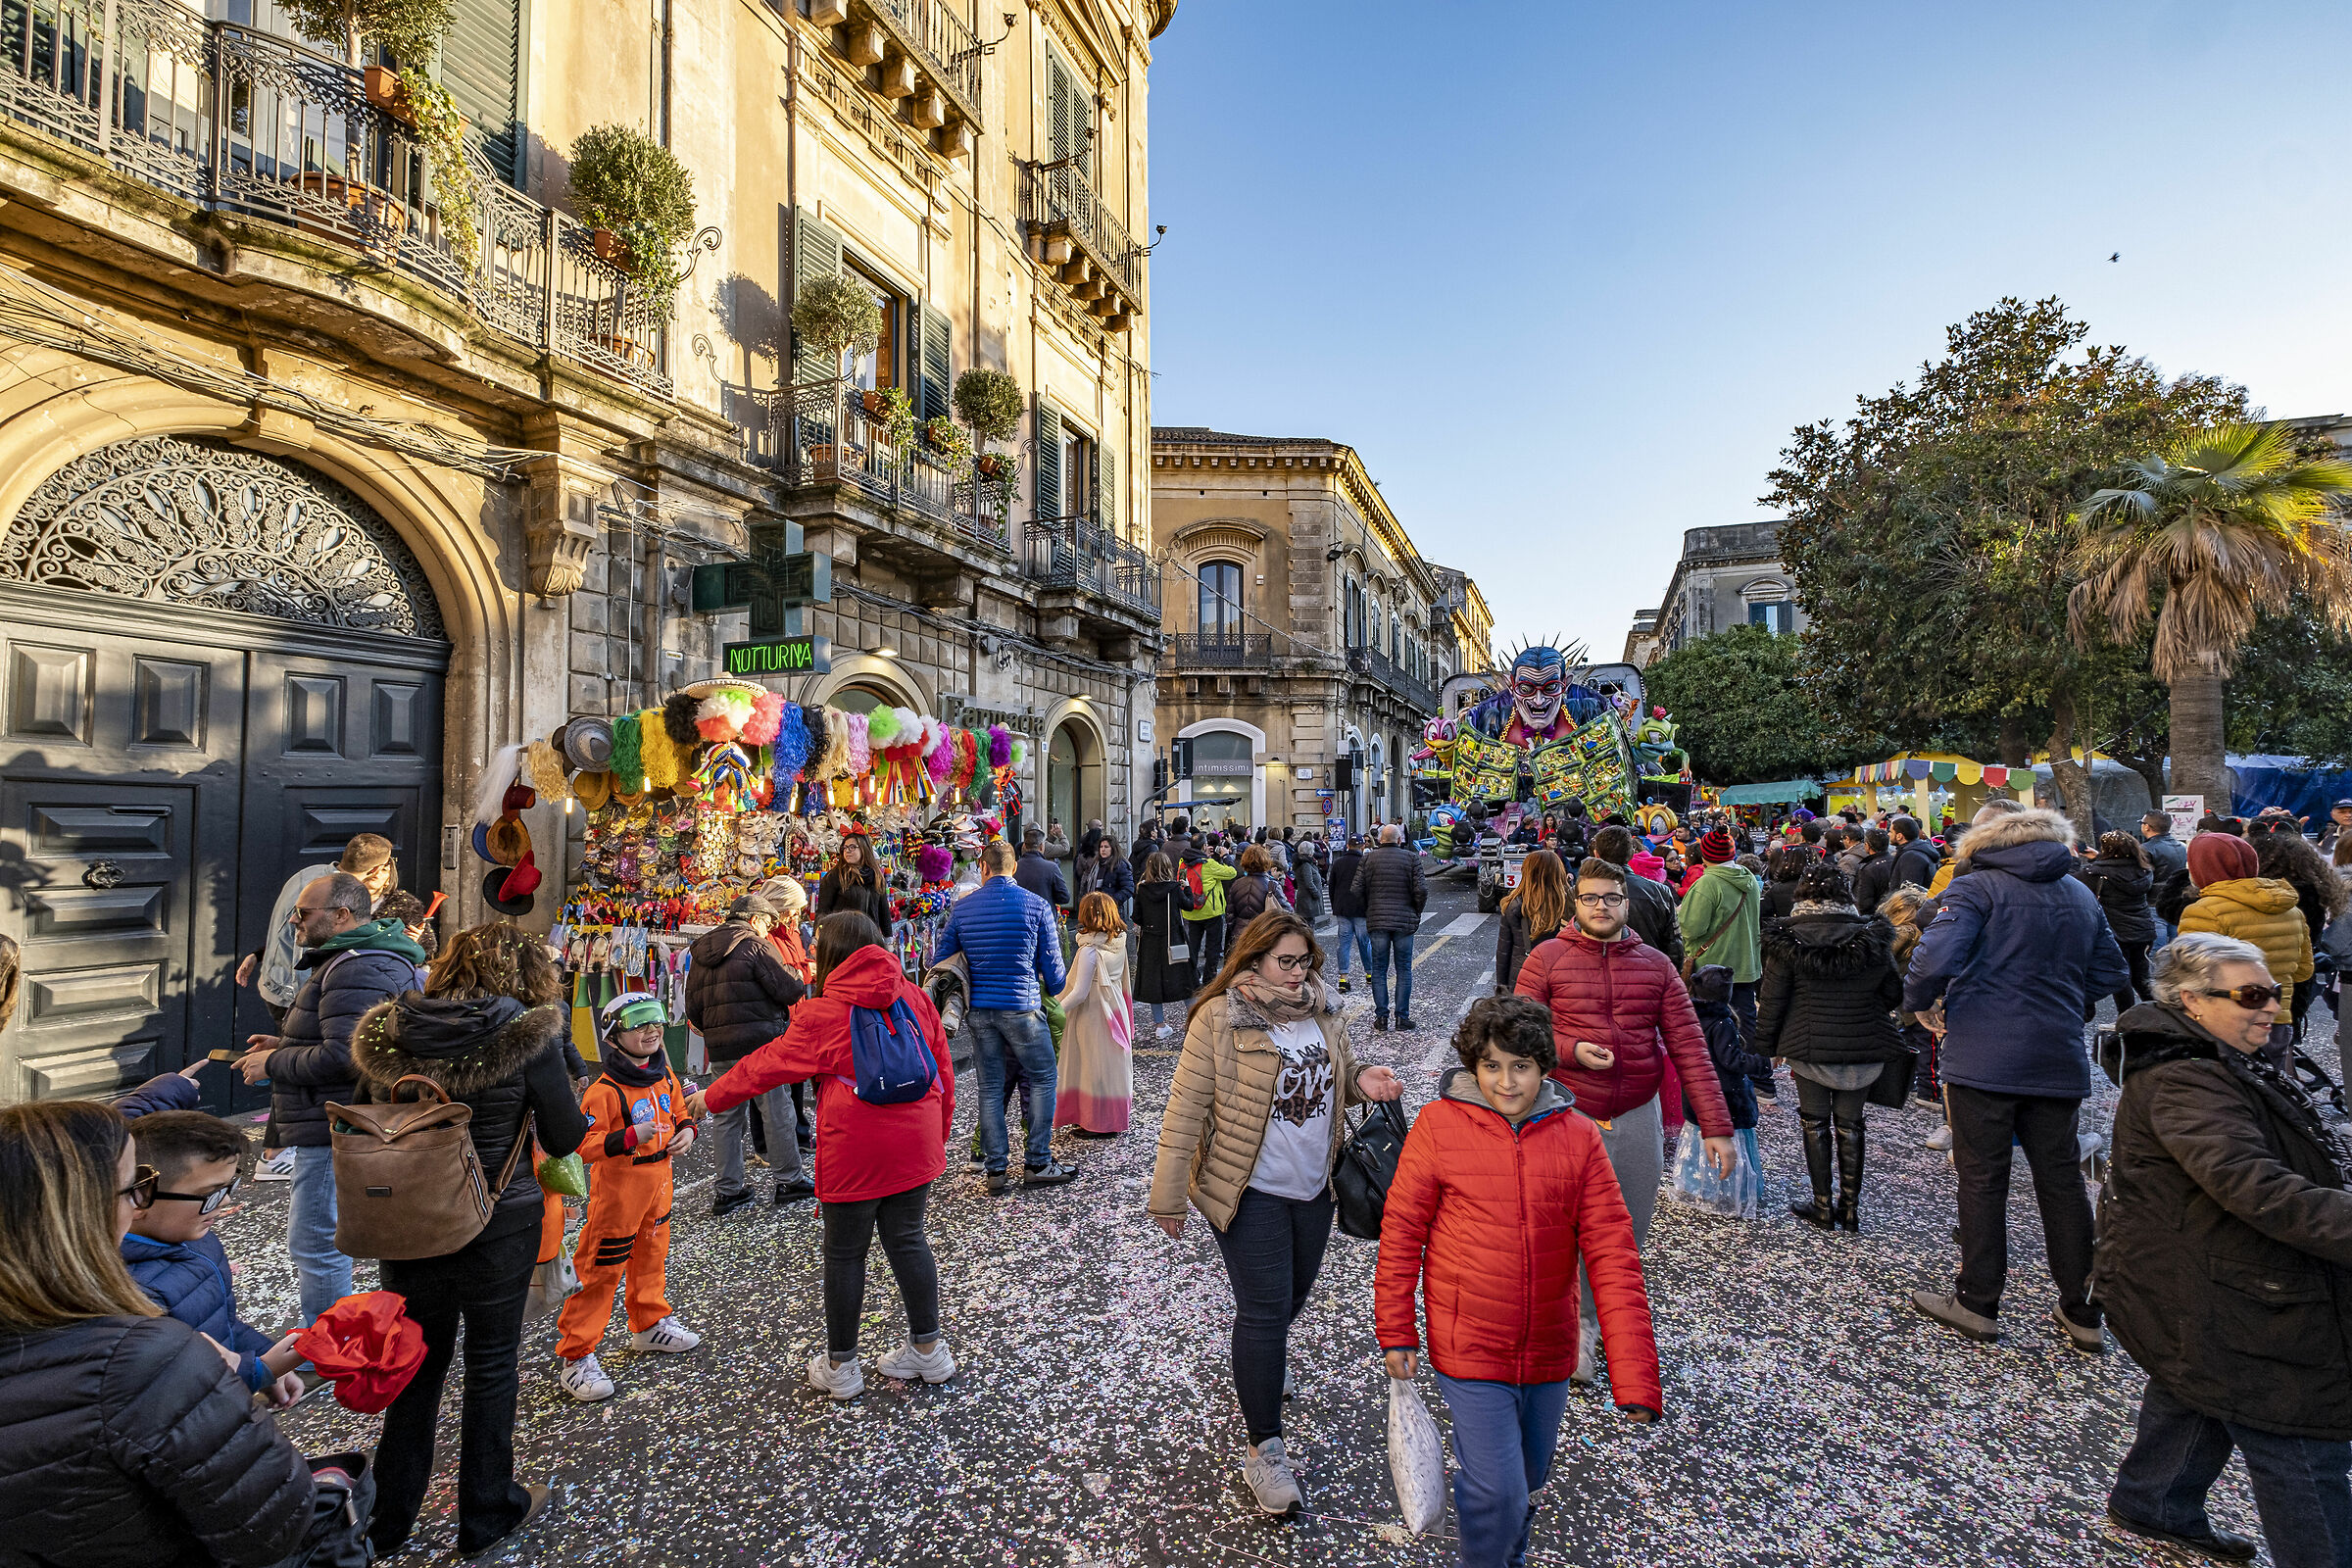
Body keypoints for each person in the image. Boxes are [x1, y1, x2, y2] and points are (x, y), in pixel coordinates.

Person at [1374, 996, 1660, 1566]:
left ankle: (1506, 1550)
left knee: (1526, 1479)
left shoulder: (1578, 1137)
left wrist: (1633, 1375)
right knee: (1498, 1489)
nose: (1506, 1082)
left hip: (1549, 1349)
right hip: (1469, 1344)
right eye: (1492, 1066)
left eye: (1521, 1067)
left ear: (1544, 1068)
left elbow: (1612, 1254)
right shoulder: (1438, 1127)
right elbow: (1403, 1231)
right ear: (1473, 1067)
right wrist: (1397, 1330)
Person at [2098, 934, 2352, 1568]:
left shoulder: (2217, 1055)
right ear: (2192, 1001)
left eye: (2276, 992)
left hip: (2197, 1266)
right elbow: (2255, 1185)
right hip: (2224, 1276)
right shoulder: (2188, 1078)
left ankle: (2152, 1502)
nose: (2272, 1008)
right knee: (2288, 1422)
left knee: (2195, 1373)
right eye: (2252, 995)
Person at [1147, 909, 1404, 1518]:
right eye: (1285, 962)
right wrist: (1168, 1195)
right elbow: (1187, 1108)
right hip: (1248, 1187)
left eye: (1304, 962)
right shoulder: (1220, 1017)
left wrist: (1362, 1078)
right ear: (1253, 961)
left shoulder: (1323, 1010)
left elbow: (1334, 1079)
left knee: (1291, 1297)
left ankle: (1260, 1364)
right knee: (1263, 1310)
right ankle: (1265, 1448)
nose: (1297, 974)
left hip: (1315, 1186)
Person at [346, 921, 588, 1556]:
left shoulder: (390, 1028)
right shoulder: (527, 1035)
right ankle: (485, 1512)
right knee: (491, 1366)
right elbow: (565, 1137)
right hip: (498, 1224)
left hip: (409, 1219)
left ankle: (387, 1520)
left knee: (415, 1368)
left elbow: (364, 1114)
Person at [0, 1100, 317, 1567]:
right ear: (76, 1215)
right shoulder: (144, 1355)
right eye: (135, 1188)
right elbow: (272, 1526)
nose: (138, 1203)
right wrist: (235, 1376)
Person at [690, 911, 957, 1398]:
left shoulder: (822, 1014)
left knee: (845, 1252)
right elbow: (942, 1069)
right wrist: (936, 1138)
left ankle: (842, 1366)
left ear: (831, 955)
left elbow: (763, 1068)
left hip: (856, 1147)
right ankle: (929, 1350)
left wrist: (709, 1098)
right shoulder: (915, 996)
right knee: (909, 1240)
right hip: (916, 1138)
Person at [1903, 807, 2128, 1347]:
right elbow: (2111, 970)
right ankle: (2082, 1308)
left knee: (1982, 1178)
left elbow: (1933, 959)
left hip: (1984, 1052)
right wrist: (2063, 999)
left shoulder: (1976, 888)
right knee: (2062, 1179)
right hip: (2055, 1052)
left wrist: (1918, 1003)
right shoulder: (2078, 893)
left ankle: (1978, 1299)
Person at [1515, 857, 1734, 1384]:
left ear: (1626, 902)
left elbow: (1689, 1047)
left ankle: (1590, 1320)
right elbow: (1518, 1033)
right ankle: (1565, 1322)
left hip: (1636, 1113)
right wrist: (1569, 1050)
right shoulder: (1546, 958)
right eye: (1590, 898)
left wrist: (1717, 1127)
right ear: (1576, 903)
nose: (1600, 907)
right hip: (1565, 1111)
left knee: (1625, 1231)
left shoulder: (1655, 966)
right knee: (1556, 1227)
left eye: (1611, 898)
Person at [235, 869, 427, 1326]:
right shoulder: (358, 959)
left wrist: (274, 1064)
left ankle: (328, 1347)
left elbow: (346, 1055)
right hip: (338, 1119)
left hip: (337, 1125)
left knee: (316, 1241)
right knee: (326, 1238)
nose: (294, 923)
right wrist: (283, 1045)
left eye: (303, 914)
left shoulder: (358, 966)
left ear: (342, 915)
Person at [552, 994, 703, 1402]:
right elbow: (580, 1143)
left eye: (655, 1021)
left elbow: (680, 1112)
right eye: (638, 1024)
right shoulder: (603, 1091)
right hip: (619, 1193)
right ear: (614, 1035)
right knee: (601, 1269)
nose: (652, 1031)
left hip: (659, 1185)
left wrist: (687, 1130)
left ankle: (649, 1322)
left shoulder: (663, 1075)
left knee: (652, 1256)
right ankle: (577, 1355)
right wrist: (627, 1138)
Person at [1756, 861, 1905, 1232]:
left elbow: (1772, 999)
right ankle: (1850, 1208)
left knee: (1814, 1122)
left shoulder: (1786, 939)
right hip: (1864, 1041)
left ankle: (1822, 1204)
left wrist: (1767, 1046)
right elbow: (1893, 992)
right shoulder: (1872, 936)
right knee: (1852, 1124)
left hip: (1808, 1043)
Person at [120, 1111, 305, 1405]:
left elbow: (220, 1321)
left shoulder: (195, 1239)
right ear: (140, 1197)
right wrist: (258, 1371)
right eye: (211, 1194)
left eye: (228, 1187)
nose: (227, 1201)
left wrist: (260, 1357)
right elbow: (167, 1384)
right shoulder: (132, 1289)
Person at [937, 839, 1075, 1194]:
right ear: (1013, 868)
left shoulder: (963, 910)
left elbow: (941, 961)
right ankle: (1038, 1160)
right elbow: (1057, 977)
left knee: (990, 1088)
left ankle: (996, 1168)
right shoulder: (1036, 905)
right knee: (1043, 1077)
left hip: (981, 1011)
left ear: (983, 868)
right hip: (1022, 1005)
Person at [686, 893, 810, 1215]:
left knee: (726, 1117)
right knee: (776, 1109)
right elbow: (788, 990)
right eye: (768, 924)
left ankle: (729, 1190)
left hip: (721, 1045)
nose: (769, 930)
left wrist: (714, 1030)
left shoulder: (701, 950)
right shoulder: (756, 945)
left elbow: (693, 1009)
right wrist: (798, 974)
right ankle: (789, 1181)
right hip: (760, 1044)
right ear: (754, 920)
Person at [236, 831, 403, 1022]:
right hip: (292, 998)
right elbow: (303, 955)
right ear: (375, 870)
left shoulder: (310, 872)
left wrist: (259, 955)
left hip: (277, 984)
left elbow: (289, 932)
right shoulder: (331, 895)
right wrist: (307, 1008)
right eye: (390, 863)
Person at [2177, 832, 2313, 1000]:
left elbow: (2189, 974)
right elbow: (2303, 971)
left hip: (2224, 1014)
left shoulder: (2204, 911)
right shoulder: (2290, 908)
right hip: (2277, 1011)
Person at [2254, 826, 2347, 1039]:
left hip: (2250, 987)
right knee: (2285, 1040)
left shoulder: (2247, 894)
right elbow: (2312, 945)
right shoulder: (2312, 893)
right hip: (2293, 983)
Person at [1054, 892, 1134, 1136]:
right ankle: (1109, 1117)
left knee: (1092, 1067)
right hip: (1114, 1008)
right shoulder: (1118, 942)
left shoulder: (1089, 950)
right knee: (1108, 1067)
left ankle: (1096, 1121)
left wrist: (1054, 1011)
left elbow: (1079, 993)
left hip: (1093, 1013)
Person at [1680, 828, 1763, 1039]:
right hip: (1746, 964)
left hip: (1713, 968)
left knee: (1714, 1024)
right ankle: (1749, 1064)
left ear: (1706, 855)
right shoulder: (1749, 879)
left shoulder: (1707, 884)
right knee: (1745, 1019)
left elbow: (1690, 929)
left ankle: (1723, 1066)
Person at [1352, 822, 1428, 1031]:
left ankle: (1382, 1017)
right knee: (1403, 968)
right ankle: (1402, 1017)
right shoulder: (1411, 858)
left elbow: (1356, 890)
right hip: (1404, 921)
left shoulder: (1367, 859)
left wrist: (1369, 908)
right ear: (1399, 839)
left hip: (1377, 920)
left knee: (1379, 969)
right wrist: (1415, 911)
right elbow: (1421, 890)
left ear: (1380, 840)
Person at [2074, 831, 2157, 1015]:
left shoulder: (2096, 874)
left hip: (2116, 932)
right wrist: (2100, 858)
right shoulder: (2144, 870)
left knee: (2121, 978)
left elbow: (2073, 882)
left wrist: (2081, 859)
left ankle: (2125, 1017)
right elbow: (2118, 868)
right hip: (2143, 930)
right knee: (2142, 977)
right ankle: (2159, 1013)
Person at [1591, 824, 1683, 968]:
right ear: (1632, 853)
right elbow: (1674, 942)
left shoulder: (1582, 894)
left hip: (1600, 977)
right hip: (1650, 973)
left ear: (1597, 855)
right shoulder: (1660, 892)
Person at [1133, 852, 1198, 1040]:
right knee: (1186, 980)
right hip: (1174, 938)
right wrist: (1187, 889)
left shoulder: (1142, 890)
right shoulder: (1174, 888)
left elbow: (1137, 917)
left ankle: (1160, 1026)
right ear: (1168, 868)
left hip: (1150, 942)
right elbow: (1189, 906)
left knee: (1154, 984)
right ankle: (1193, 1021)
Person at [1494, 848, 1568, 993]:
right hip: (1560, 978)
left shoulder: (1513, 905)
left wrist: (1501, 992)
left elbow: (1503, 953)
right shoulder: (1568, 904)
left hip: (1522, 978)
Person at [1180, 834, 1239, 988]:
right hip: (1211, 911)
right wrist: (1226, 856)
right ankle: (1209, 979)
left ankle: (1190, 977)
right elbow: (1232, 872)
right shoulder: (1209, 864)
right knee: (1213, 947)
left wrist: (1203, 856)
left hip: (1191, 910)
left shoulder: (1183, 862)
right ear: (1204, 846)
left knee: (1193, 946)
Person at [1327, 834, 1372, 993]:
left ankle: (1343, 979)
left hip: (1343, 909)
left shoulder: (1338, 863)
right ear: (1362, 847)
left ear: (1347, 846)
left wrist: (1335, 906)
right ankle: (1369, 973)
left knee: (1344, 944)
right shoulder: (1365, 863)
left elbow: (1331, 886)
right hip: (1361, 909)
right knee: (1364, 942)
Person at [816, 828, 889, 925]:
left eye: (852, 847)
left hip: (870, 936)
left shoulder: (876, 875)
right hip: (843, 935)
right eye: (845, 848)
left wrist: (888, 937)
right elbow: (823, 910)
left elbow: (883, 910)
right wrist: (817, 935)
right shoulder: (835, 876)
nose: (847, 851)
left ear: (863, 849)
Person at [1075, 833, 1135, 919]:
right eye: (1101, 847)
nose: (1103, 849)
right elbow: (1085, 884)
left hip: (1111, 911)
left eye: (1106, 847)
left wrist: (1110, 901)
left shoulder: (1120, 865)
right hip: (1093, 909)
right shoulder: (1095, 864)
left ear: (1113, 849)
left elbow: (1128, 888)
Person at [1225, 844, 1278, 938]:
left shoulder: (1237, 884)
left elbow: (1230, 913)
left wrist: (1234, 929)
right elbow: (1285, 911)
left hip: (1240, 933)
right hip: (1263, 933)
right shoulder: (1272, 885)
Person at [1017, 827, 1072, 912]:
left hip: (1021, 917)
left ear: (1024, 846)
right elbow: (1064, 897)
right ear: (1041, 847)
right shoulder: (1051, 868)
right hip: (1045, 917)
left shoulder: (1014, 867)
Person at [1888, 814, 1942, 891]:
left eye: (1890, 832)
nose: (1888, 834)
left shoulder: (1911, 857)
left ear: (1899, 836)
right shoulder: (1918, 850)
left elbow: (1909, 892)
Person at [1849, 827, 1895, 916]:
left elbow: (1864, 902)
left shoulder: (1868, 869)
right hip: (1895, 910)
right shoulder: (1896, 861)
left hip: (1877, 916)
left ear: (1867, 845)